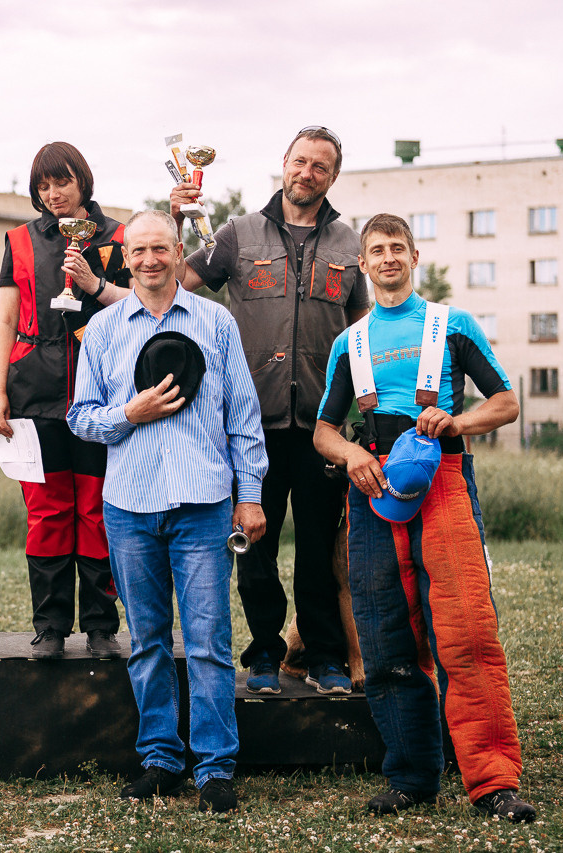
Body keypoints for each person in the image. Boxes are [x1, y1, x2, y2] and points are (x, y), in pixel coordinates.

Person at [313, 213, 536, 822]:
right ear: (362, 264)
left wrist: (457, 423)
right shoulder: (349, 342)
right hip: (373, 487)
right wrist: (352, 453)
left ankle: (493, 781)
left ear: (414, 257)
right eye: (376, 251)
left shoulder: (450, 324)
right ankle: (411, 775)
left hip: (442, 478)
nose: (387, 258)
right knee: (385, 634)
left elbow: (507, 402)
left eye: (397, 249)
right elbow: (324, 431)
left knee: (465, 631)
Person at [68, 210, 268, 813]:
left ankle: (214, 767)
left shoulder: (217, 322)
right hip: (129, 508)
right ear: (123, 257)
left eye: (160, 248)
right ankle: (160, 758)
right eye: (138, 251)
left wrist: (251, 492)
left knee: (208, 640)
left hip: (204, 505)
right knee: (148, 640)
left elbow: (242, 414)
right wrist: (131, 414)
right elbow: (81, 417)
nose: (150, 260)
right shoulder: (102, 330)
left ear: (179, 252)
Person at [169, 125, 370, 696]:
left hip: (321, 427)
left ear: (332, 177)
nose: (308, 173)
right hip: (249, 425)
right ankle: (262, 654)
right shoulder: (236, 235)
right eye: (300, 161)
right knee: (253, 547)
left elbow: (362, 334)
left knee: (315, 549)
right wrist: (180, 217)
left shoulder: (348, 244)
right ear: (284, 162)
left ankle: (325, 656)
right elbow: (179, 282)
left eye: (321, 167)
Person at [0, 141, 130, 659]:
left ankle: (100, 628)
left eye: (62, 182)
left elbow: (140, 306)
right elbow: (5, 318)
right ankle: (49, 627)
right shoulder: (19, 241)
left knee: (96, 512)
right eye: (43, 186)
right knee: (47, 514)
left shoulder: (119, 237)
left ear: (83, 181)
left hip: (103, 398)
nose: (53, 194)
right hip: (33, 396)